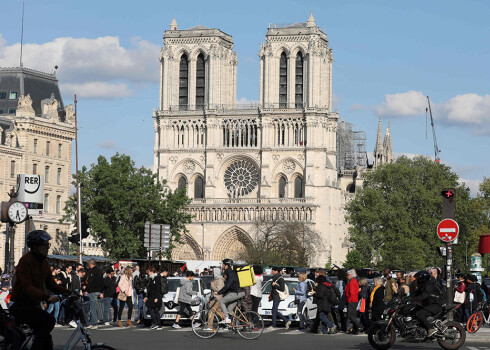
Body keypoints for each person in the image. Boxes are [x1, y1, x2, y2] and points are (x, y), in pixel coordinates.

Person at [9, 230, 72, 350]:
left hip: (33, 305)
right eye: (45, 245)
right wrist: (46, 297)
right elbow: (27, 287)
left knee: (47, 340)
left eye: (48, 245)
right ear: (35, 247)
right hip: (20, 305)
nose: (47, 247)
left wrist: (70, 292)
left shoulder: (44, 262)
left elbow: (51, 285)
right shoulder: (25, 261)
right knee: (49, 320)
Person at [410, 270, 443, 337]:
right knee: (413, 310)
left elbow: (424, 296)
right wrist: (406, 298)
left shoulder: (429, 285)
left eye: (418, 279)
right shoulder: (423, 286)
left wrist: (413, 299)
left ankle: (430, 328)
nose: (417, 280)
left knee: (419, 314)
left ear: (422, 279)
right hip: (429, 305)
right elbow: (416, 294)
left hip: (435, 306)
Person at [216, 259, 245, 325]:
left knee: (221, 301)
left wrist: (219, 292)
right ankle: (237, 324)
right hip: (239, 292)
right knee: (229, 309)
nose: (222, 266)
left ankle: (227, 318)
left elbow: (228, 285)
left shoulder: (230, 272)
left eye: (223, 265)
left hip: (237, 292)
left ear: (226, 266)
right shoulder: (231, 272)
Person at [85, 259, 104, 329]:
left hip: (93, 290)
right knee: (94, 306)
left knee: (93, 307)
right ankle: (93, 322)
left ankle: (95, 323)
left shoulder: (92, 271)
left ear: (91, 264)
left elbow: (90, 281)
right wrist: (101, 291)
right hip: (98, 290)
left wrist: (86, 289)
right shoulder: (99, 271)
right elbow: (102, 281)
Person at [345, 269, 360, 335]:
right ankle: (355, 329)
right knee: (353, 315)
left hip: (352, 300)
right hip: (353, 300)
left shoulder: (352, 282)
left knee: (350, 316)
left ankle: (357, 327)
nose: (347, 276)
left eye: (348, 275)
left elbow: (352, 292)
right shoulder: (353, 281)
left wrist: (349, 300)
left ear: (351, 275)